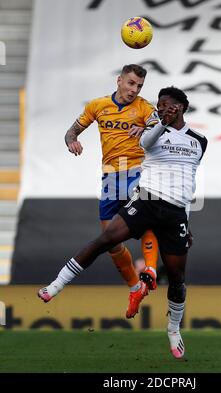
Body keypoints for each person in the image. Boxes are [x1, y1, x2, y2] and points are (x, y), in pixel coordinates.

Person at [38, 86, 207, 359]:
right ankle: (56, 284)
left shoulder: (199, 141)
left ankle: (174, 330)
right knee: (106, 239)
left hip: (176, 212)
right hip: (147, 201)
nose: (161, 108)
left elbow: (189, 183)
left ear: (182, 107)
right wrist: (161, 122)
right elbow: (145, 145)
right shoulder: (153, 129)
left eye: (167, 105)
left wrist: (186, 223)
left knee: (177, 278)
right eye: (159, 105)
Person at [64, 64, 160, 313]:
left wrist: (147, 128)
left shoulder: (144, 108)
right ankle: (134, 288)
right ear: (119, 81)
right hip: (110, 177)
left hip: (138, 171)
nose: (134, 90)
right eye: (130, 83)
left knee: (147, 221)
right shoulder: (98, 106)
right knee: (110, 240)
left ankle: (149, 269)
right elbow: (72, 131)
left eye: (139, 86)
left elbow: (161, 127)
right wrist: (72, 140)